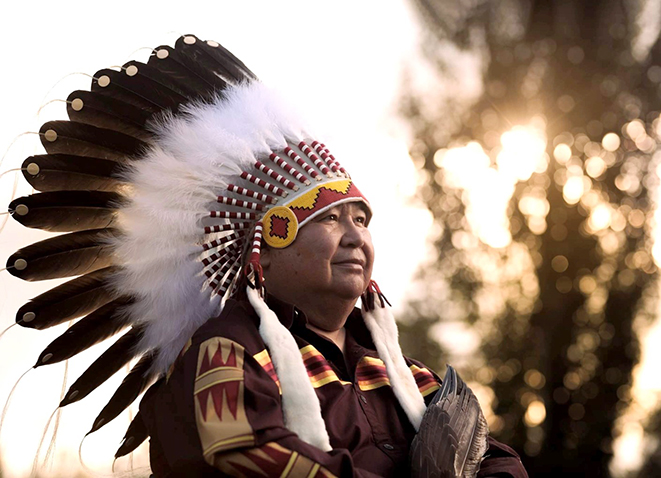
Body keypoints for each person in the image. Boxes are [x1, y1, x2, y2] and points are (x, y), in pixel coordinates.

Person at [5, 34, 527, 477]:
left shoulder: (404, 375)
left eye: (361, 219)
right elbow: (247, 452)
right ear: (265, 252)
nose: (354, 236)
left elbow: (495, 458)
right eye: (326, 218)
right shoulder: (225, 353)